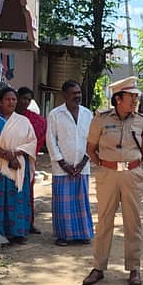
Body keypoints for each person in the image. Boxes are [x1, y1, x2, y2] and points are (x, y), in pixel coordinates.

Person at [82, 76, 143, 285]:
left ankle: (134, 268)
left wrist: (130, 166)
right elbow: (90, 149)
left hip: (132, 175)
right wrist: (105, 165)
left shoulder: (142, 121)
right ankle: (99, 267)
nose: (135, 100)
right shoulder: (101, 119)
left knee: (133, 222)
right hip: (108, 175)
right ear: (118, 98)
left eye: (136, 96)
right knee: (104, 222)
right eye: (131, 96)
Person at [0, 87, 38, 244]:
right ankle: (0, 231)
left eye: (14, 99)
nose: (11, 102)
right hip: (0, 166)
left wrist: (16, 154)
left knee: (18, 197)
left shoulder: (23, 122)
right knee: (0, 197)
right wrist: (7, 156)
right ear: (1, 102)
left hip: (19, 165)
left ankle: (18, 232)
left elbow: (31, 143)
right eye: (7, 99)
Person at [46, 80, 95, 247]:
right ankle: (63, 235)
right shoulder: (55, 114)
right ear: (64, 95)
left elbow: (93, 140)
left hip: (82, 165)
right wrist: (62, 163)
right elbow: (51, 140)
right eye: (73, 93)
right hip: (61, 167)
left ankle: (83, 234)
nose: (77, 96)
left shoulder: (88, 114)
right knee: (63, 203)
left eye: (79, 93)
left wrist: (83, 162)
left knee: (81, 201)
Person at [17, 86, 47, 234]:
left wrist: (29, 152)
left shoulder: (35, 120)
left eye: (29, 99)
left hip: (27, 159)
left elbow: (40, 134)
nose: (26, 102)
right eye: (23, 98)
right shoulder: (7, 116)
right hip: (6, 157)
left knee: (27, 192)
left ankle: (28, 223)